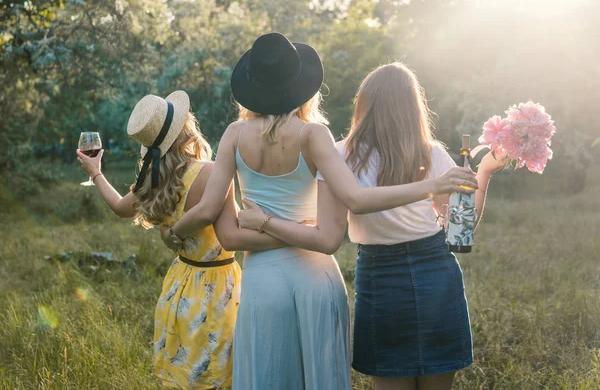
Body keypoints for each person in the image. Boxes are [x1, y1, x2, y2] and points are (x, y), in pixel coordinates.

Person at [160, 34, 478, 390]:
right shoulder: (314, 135)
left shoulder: (234, 135)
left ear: (253, 86)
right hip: (314, 275)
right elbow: (330, 235)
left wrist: (176, 233)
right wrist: (299, 229)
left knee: (266, 376)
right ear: (301, 85)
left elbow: (228, 233)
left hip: (262, 280)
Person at [237, 62, 509, 390]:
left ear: (363, 106)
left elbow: (328, 230)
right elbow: (460, 230)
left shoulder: (341, 155)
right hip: (437, 275)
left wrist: (266, 221)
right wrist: (484, 173)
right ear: (413, 108)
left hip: (380, 279)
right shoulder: (431, 154)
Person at [76, 91, 284, 390]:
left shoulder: (154, 178)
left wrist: (96, 174)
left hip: (180, 283)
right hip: (218, 286)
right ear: (187, 127)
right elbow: (233, 235)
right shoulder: (211, 172)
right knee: (219, 371)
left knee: (186, 370)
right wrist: (285, 232)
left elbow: (120, 208)